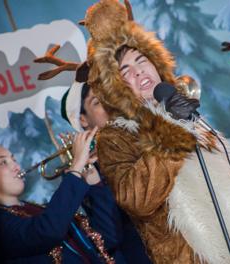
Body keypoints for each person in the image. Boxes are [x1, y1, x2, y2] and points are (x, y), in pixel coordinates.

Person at [80, 1, 230, 263]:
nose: (138, 71)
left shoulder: (183, 111)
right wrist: (171, 134)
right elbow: (137, 199)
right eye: (125, 71)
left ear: (155, 63)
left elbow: (226, 196)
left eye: (141, 60)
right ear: (117, 86)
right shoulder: (115, 137)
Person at [0, 127, 127, 263]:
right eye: (3, 162)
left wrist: (92, 179)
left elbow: (108, 238)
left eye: (13, 159)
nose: (16, 166)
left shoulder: (37, 209)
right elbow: (47, 232)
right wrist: (76, 166)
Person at [60, 62, 152, 263]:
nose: (108, 104)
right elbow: (109, 240)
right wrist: (96, 185)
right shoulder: (90, 172)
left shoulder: (148, 135)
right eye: (96, 102)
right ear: (83, 120)